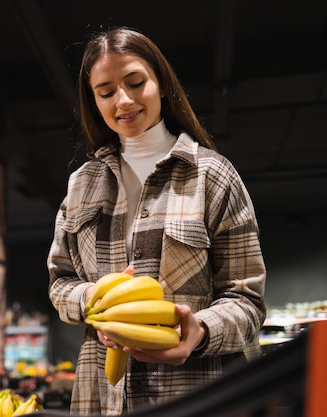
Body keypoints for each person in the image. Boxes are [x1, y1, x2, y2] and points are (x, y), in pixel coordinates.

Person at [47, 26, 266, 415]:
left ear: (161, 84)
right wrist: (93, 303)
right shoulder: (82, 183)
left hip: (195, 394)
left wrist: (198, 331)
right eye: (106, 91)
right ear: (94, 101)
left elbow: (247, 301)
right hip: (100, 396)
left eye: (135, 82)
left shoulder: (212, 176)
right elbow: (60, 281)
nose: (123, 100)